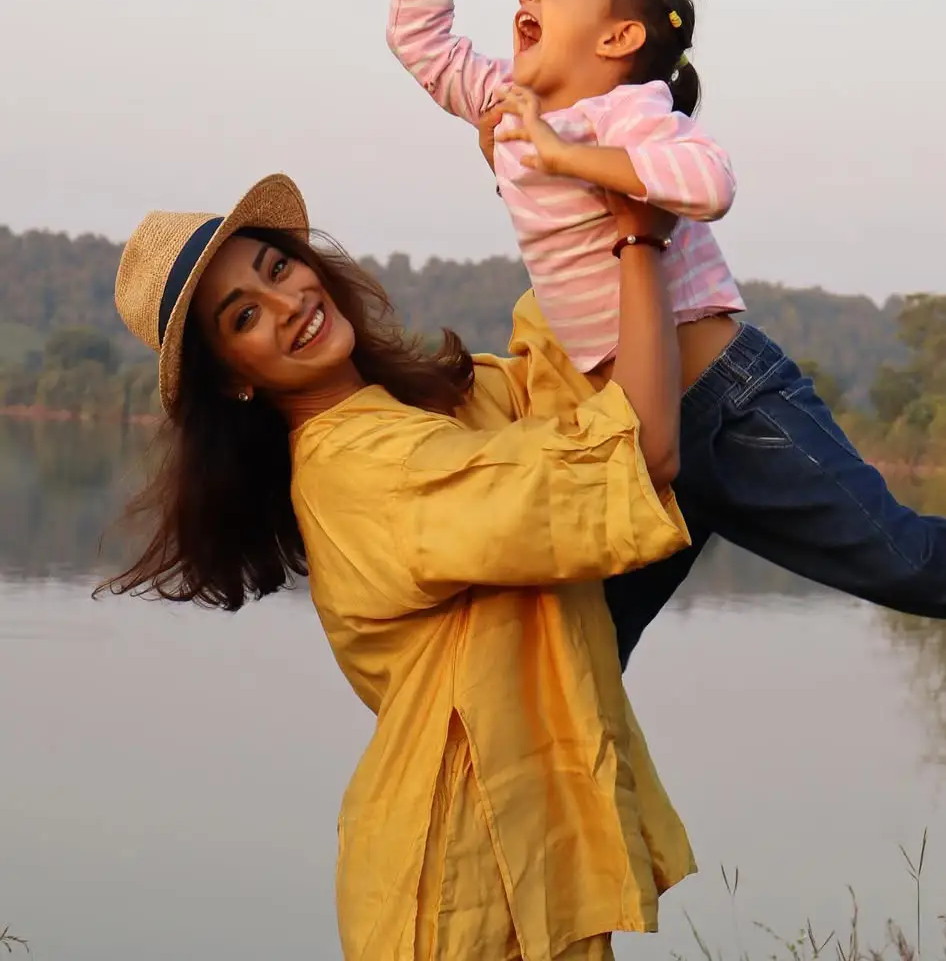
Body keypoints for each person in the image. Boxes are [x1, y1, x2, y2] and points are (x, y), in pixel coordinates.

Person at [389, 0, 946, 668]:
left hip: (731, 408)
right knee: (574, 660)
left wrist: (571, 157)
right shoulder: (514, 109)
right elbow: (418, 38)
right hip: (637, 432)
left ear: (620, 38)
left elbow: (705, 184)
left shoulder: (630, 114)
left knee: (910, 563)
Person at [102, 172, 696, 961]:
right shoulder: (363, 469)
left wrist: (548, 174)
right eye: (244, 315)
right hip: (453, 890)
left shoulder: (424, 409)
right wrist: (641, 240)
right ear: (234, 378)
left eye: (277, 269)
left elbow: (555, 381)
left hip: (518, 863)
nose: (287, 305)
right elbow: (636, 456)